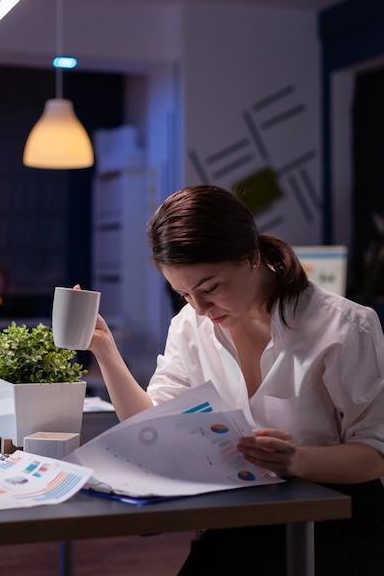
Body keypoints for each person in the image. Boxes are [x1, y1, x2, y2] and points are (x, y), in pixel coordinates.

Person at [86, 184, 384, 575]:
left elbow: (374, 454)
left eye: (209, 288)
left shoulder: (344, 327)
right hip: (248, 519)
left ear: (252, 258)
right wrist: (105, 350)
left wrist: (298, 460)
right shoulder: (191, 326)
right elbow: (151, 425)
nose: (200, 307)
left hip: (337, 519)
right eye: (183, 294)